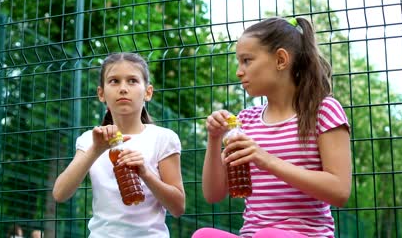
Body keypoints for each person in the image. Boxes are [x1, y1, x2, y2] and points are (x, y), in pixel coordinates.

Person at [193, 17, 351, 238]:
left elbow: (340, 191)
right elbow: (213, 194)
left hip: (305, 235)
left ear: (280, 59)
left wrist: (266, 160)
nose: (239, 71)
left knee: (268, 236)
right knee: (203, 235)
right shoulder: (245, 120)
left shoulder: (324, 110)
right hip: (253, 234)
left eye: (247, 60)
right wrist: (214, 139)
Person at [52, 52, 185, 238]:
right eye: (114, 81)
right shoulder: (90, 140)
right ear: (101, 93)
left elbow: (178, 207)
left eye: (132, 81)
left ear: (148, 92)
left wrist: (145, 173)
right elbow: (60, 193)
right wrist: (96, 150)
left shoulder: (163, 138)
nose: (123, 88)